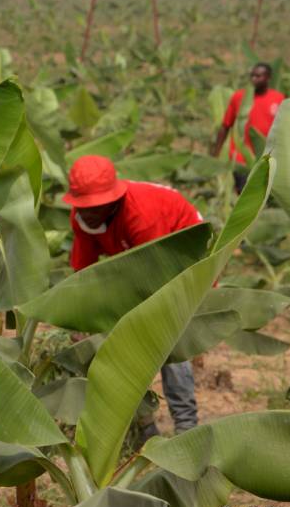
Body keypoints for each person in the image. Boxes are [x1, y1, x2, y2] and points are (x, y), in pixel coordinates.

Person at [64, 155, 201, 439]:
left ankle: (186, 426)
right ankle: (144, 430)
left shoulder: (142, 216)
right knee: (120, 342)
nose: (89, 213)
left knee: (169, 338)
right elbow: (84, 276)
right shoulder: (82, 219)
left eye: (95, 207)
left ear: (112, 201)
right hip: (134, 263)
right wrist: (82, 322)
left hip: (185, 255)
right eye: (84, 206)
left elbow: (154, 276)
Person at [211, 63, 284, 191]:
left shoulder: (278, 98)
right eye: (252, 76)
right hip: (242, 158)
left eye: (258, 76)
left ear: (268, 78)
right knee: (244, 193)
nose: (254, 79)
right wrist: (216, 153)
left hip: (267, 158)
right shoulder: (239, 97)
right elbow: (225, 126)